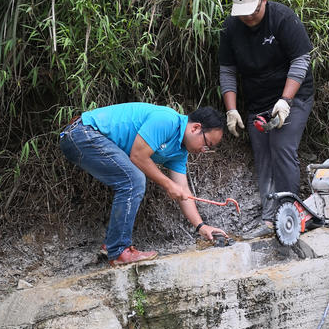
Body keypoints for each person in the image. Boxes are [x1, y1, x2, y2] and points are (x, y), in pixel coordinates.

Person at [60, 103, 228, 265]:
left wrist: (201, 226)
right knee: (133, 179)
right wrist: (168, 185)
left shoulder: (179, 152)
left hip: (86, 139)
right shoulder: (167, 120)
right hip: (82, 133)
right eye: (207, 144)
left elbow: (184, 191)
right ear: (196, 128)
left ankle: (112, 245)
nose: (203, 150)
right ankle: (118, 250)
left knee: (131, 179)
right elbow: (138, 156)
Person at [219, 0, 314, 239]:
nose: (248, 17)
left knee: (281, 144)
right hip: (258, 101)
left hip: (293, 96)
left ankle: (290, 214)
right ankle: (270, 219)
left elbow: (300, 60)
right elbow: (227, 71)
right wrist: (232, 110)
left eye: (253, 10)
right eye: (242, 13)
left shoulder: (283, 19)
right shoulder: (231, 28)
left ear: (264, 0)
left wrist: (285, 101)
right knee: (262, 151)